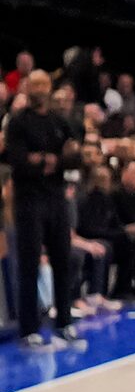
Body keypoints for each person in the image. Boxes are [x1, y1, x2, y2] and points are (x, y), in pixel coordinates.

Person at [7, 68, 80, 348]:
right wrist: (47, 161)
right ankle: (30, 328)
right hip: (29, 200)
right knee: (29, 264)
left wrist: (48, 160)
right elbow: (19, 161)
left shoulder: (59, 121)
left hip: (55, 198)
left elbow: (73, 158)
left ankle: (64, 322)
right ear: (27, 88)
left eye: (44, 84)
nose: (39, 89)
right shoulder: (18, 122)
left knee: (63, 259)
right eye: (34, 85)